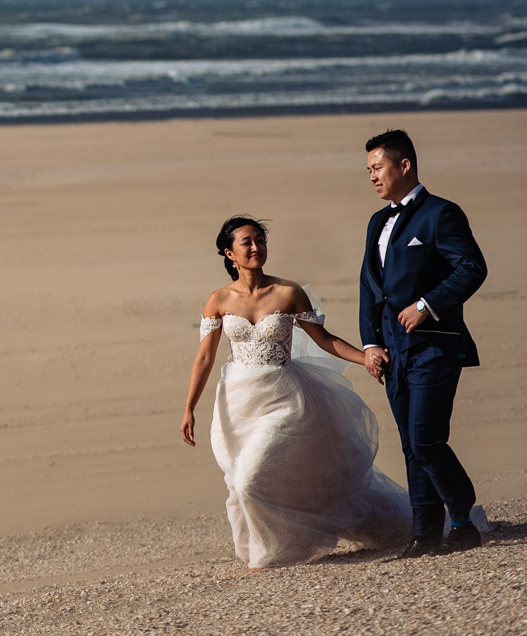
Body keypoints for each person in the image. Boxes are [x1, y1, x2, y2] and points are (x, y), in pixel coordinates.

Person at [181, 217, 410, 570]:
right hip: (237, 404)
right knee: (247, 478)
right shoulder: (219, 300)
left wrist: (365, 356)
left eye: (260, 239)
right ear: (230, 254)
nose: (256, 247)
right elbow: (205, 357)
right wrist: (189, 407)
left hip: (284, 401)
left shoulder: (288, 293)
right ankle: (270, 545)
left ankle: (274, 552)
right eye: (246, 242)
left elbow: (325, 339)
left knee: (248, 480)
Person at [360, 129, 486, 558]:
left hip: (435, 345)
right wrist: (370, 344)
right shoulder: (377, 221)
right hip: (393, 352)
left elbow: (471, 268)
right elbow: (369, 289)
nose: (373, 176)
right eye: (370, 170)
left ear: (404, 165)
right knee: (410, 445)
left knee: (426, 438)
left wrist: (427, 304)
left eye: (378, 167)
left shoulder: (441, 213)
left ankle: (463, 518)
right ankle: (424, 534)